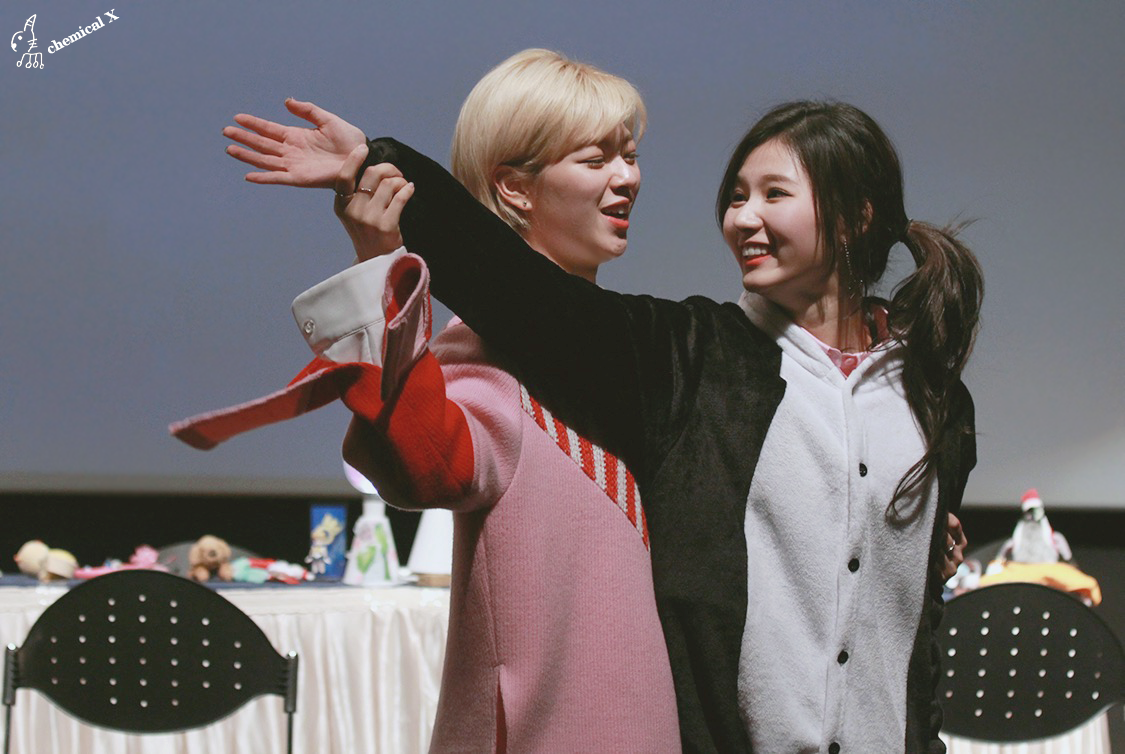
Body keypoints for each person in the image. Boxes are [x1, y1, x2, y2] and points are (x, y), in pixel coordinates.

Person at [204, 92, 974, 750]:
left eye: (773, 194)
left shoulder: (933, 399)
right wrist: (377, 165)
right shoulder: (692, 356)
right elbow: (519, 292)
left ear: (855, 217)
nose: (742, 217)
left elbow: (916, 630)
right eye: (735, 195)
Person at [175, 50, 680, 752]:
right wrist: (378, 267)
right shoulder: (486, 354)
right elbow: (429, 467)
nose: (627, 177)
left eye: (630, 156)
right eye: (596, 159)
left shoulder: (638, 352)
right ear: (515, 188)